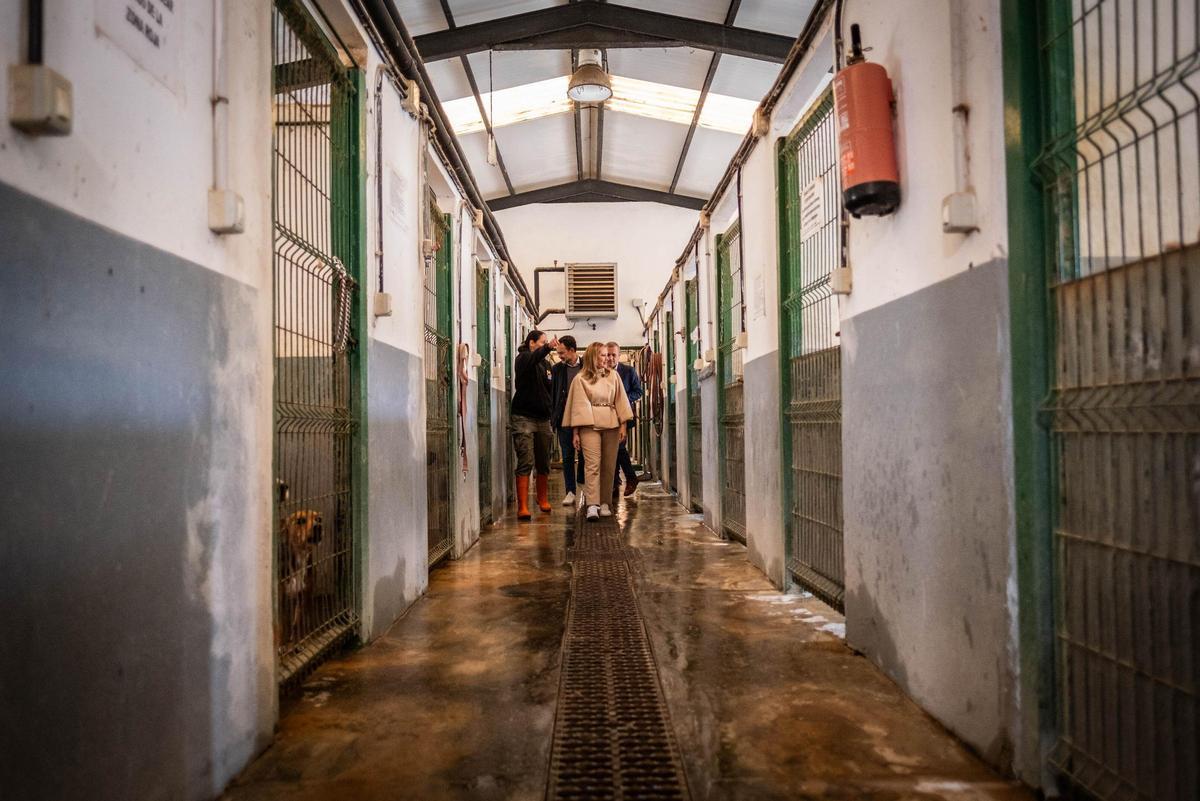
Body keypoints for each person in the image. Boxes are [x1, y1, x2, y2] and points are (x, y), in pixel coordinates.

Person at [561, 342, 633, 521]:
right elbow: (577, 407)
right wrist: (575, 432)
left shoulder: (614, 376)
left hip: (611, 424)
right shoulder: (580, 379)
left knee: (609, 465)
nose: (607, 358)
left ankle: (605, 502)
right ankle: (592, 504)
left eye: (608, 355)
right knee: (592, 465)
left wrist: (623, 425)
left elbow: (621, 400)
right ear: (593, 356)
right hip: (589, 425)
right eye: (602, 354)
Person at [510, 329, 557, 520]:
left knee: (543, 460)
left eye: (545, 343)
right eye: (542, 342)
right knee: (526, 460)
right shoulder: (523, 359)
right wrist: (547, 348)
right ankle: (522, 506)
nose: (545, 345)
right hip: (524, 417)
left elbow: (549, 390)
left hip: (543, 419)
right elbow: (533, 358)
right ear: (531, 343)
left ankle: (542, 498)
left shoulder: (546, 365)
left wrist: (551, 412)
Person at [550, 335, 586, 507]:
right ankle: (570, 491)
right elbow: (554, 393)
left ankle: (583, 484)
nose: (560, 356)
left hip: (585, 419)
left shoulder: (587, 366)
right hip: (564, 419)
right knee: (567, 455)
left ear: (572, 350)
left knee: (585, 454)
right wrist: (553, 416)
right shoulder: (557, 369)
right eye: (558, 353)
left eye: (562, 353)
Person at [606, 342, 644, 500]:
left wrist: (623, 399)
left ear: (619, 355)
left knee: (619, 447)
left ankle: (629, 478)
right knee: (612, 449)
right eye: (608, 354)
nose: (610, 358)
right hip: (607, 416)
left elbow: (638, 391)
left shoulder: (628, 371)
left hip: (622, 416)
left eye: (613, 355)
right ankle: (615, 482)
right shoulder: (601, 372)